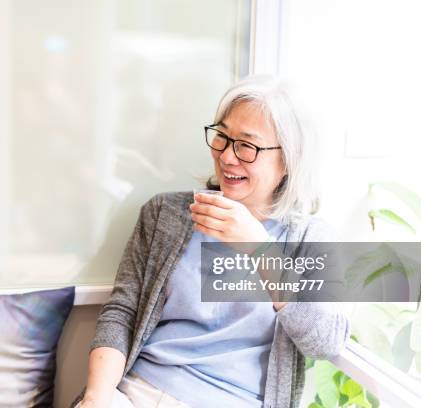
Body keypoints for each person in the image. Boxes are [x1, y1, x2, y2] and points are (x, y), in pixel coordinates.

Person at [72, 75, 350, 408]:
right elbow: (122, 312)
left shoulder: (310, 239)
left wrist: (259, 247)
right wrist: (97, 397)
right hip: (136, 393)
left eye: (247, 145)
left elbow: (325, 341)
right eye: (222, 136)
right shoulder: (164, 214)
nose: (227, 156)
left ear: (289, 159)